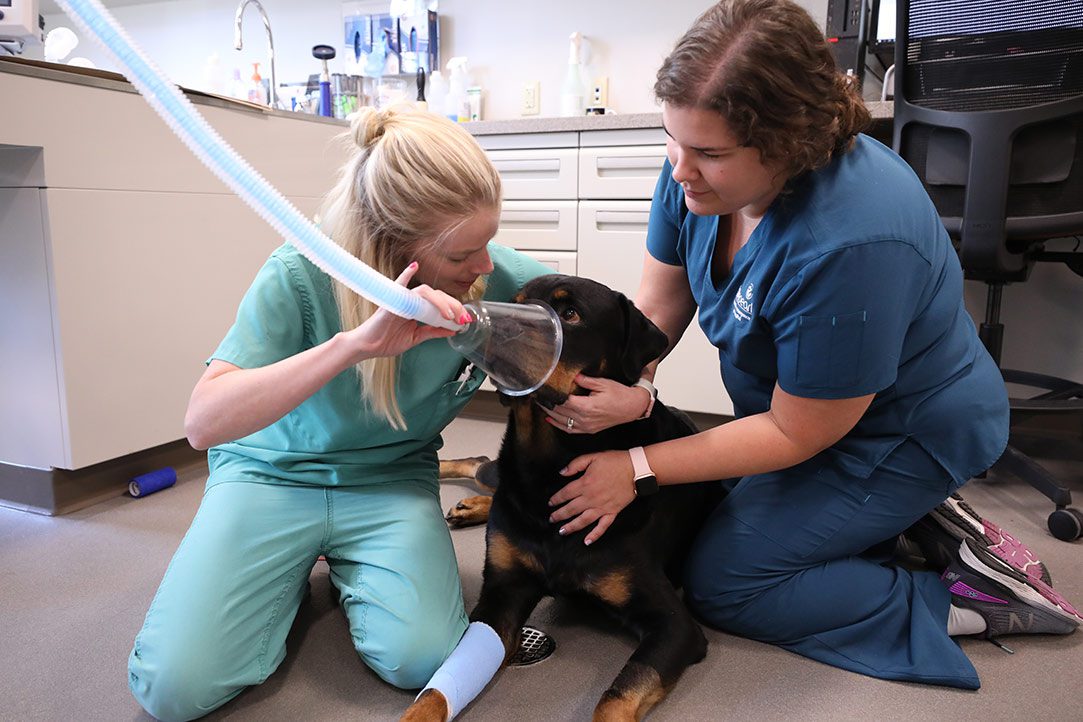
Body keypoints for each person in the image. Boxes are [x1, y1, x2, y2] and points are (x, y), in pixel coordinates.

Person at [543, 0, 1082, 689]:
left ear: (788, 141)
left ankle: (974, 594)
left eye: (706, 153)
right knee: (705, 509)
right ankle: (892, 529)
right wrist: (635, 388)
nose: (679, 170)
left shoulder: (851, 238)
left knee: (723, 581)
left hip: (898, 432)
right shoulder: (695, 170)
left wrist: (638, 463)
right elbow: (661, 303)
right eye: (671, 141)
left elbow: (798, 432)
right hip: (801, 414)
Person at [127, 107, 553, 721]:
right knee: (171, 690)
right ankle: (288, 579)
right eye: (464, 254)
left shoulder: (497, 277)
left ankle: (322, 570)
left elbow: (608, 330)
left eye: (487, 242)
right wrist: (352, 346)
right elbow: (204, 422)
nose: (485, 265)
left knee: (422, 659)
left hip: (389, 481)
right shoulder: (297, 275)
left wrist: (635, 390)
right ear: (396, 248)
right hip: (269, 475)